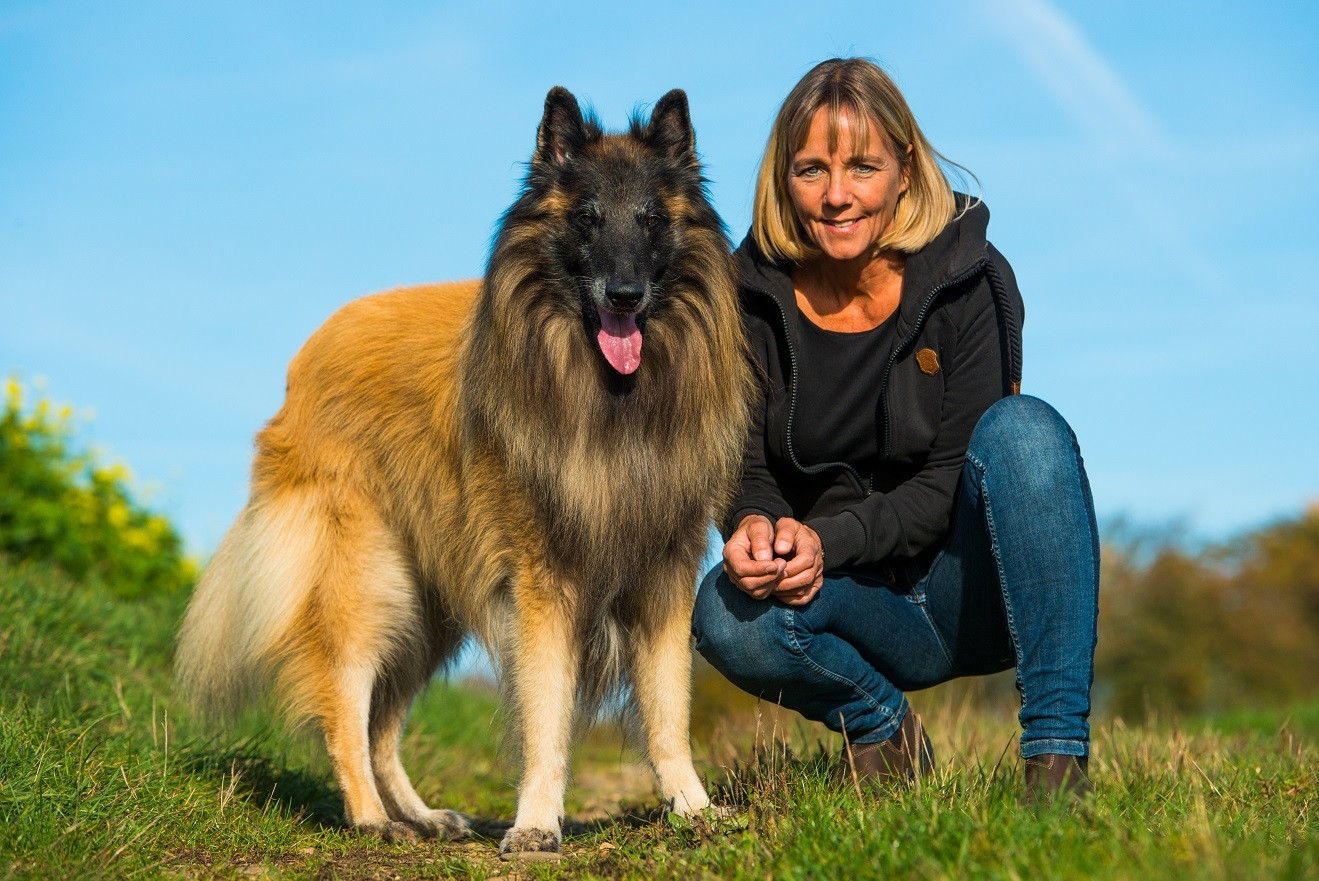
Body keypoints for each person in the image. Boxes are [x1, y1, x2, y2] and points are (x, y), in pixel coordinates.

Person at [692, 57, 1099, 802]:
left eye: (862, 167)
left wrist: (829, 538)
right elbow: (741, 462)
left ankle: (1055, 765)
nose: (837, 195)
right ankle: (881, 728)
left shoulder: (968, 278)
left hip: (972, 588)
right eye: (810, 169)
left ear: (904, 171)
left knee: (1025, 431)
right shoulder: (742, 295)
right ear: (782, 177)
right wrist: (751, 522)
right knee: (722, 614)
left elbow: (950, 479)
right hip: (846, 603)